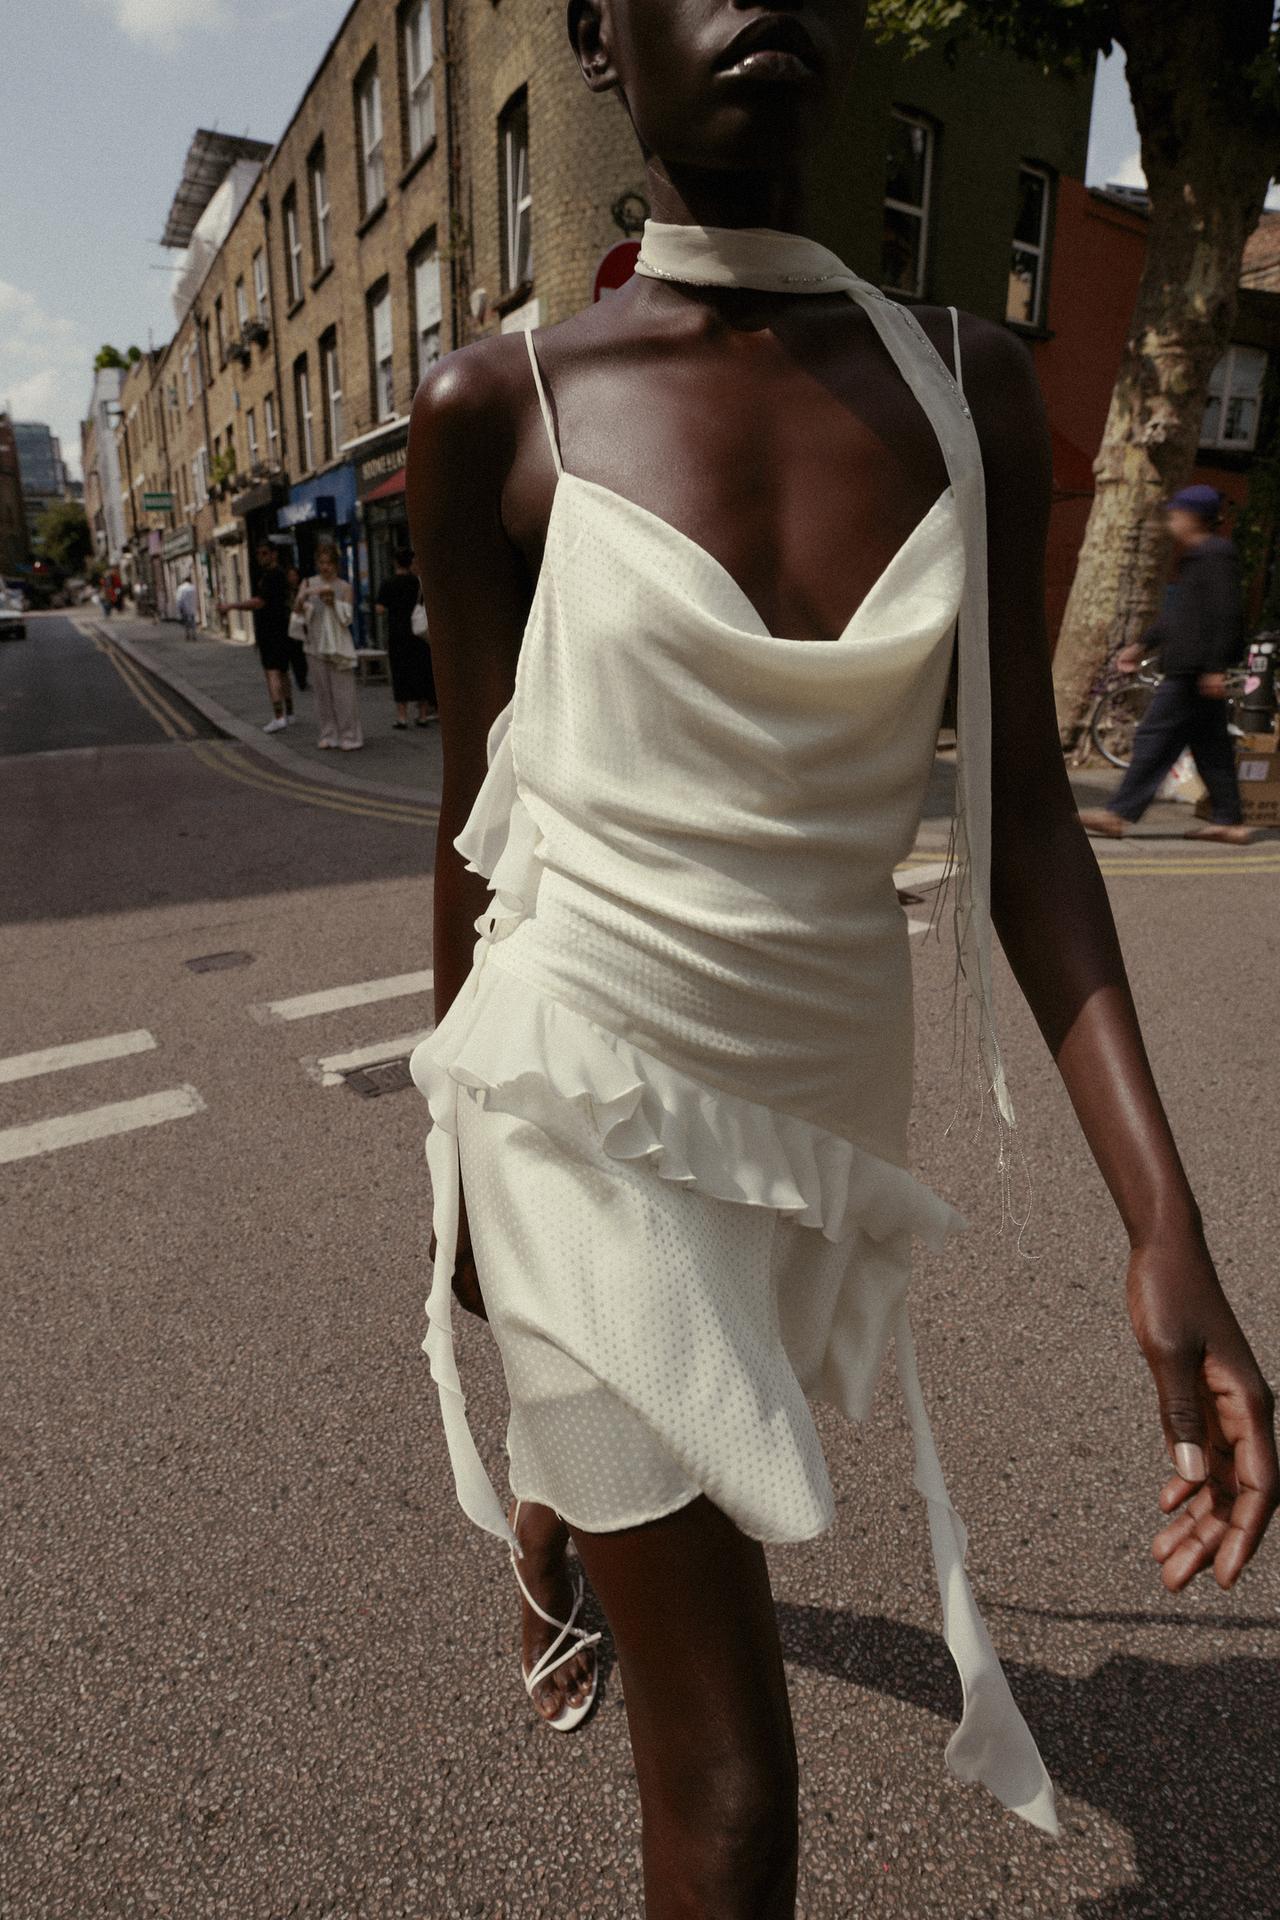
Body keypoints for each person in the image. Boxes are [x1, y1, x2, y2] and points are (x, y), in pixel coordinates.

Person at [405, 4, 1278, 1912]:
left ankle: (570, 1484)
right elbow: (478, 816)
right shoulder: (498, 407)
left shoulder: (963, 383)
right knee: (728, 1786)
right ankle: (584, 1438)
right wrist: (457, 1171)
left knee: (687, 1464)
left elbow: (1028, 821)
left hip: (810, 1097)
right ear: (596, 38)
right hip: (567, 1092)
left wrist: (1166, 1223)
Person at [1080, 485, 1253, 845]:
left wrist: (1214, 668)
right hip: (1191, 668)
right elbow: (1177, 617)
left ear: (1193, 517)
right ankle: (1229, 821)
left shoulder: (1216, 555)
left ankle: (1119, 813)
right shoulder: (1198, 558)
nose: (1171, 521)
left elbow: (1227, 614)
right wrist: (1141, 644)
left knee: (1154, 738)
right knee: (1212, 749)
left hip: (1193, 671)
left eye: (1176, 514)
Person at [219, 540, 295, 732]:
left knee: (272, 672)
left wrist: (231, 606)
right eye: (258, 554)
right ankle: (290, 713)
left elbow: (259, 602)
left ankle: (279, 717)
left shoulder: (272, 576)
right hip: (281, 628)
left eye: (264, 553)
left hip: (272, 630)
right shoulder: (277, 574)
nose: (260, 557)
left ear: (274, 554)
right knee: (283, 671)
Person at [294, 538, 361, 750]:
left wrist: (332, 601)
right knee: (322, 695)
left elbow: (347, 618)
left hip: (338, 647)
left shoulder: (345, 587)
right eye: (321, 562)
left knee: (344, 694)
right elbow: (296, 612)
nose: (325, 566)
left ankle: (349, 736)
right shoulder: (308, 583)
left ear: (336, 564)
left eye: (329, 562)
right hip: (314, 645)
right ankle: (328, 734)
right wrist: (302, 596)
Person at [375, 545, 437, 728]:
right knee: (421, 671)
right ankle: (423, 714)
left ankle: (402, 716)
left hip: (398, 634)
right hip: (418, 634)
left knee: (400, 673)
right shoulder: (418, 582)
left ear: (395, 562)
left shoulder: (388, 583)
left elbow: (379, 609)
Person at [284, 563, 309, 693]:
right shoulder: (285, 592)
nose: (293, 578)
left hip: (303, 625)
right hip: (291, 626)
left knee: (303, 655)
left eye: (295, 575)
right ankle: (300, 680)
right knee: (295, 656)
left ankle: (303, 677)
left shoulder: (303, 590)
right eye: (290, 575)